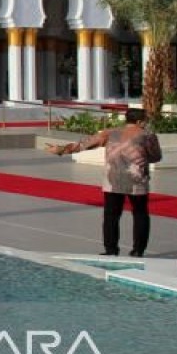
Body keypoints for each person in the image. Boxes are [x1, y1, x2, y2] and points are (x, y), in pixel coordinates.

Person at [45, 108, 161, 257]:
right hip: (136, 180)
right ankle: (138, 251)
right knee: (140, 214)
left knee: (111, 216)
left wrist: (61, 149)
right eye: (145, 121)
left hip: (112, 181)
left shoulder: (110, 133)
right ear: (139, 121)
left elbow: (84, 144)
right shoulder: (148, 136)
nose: (146, 124)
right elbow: (156, 157)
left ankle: (111, 250)